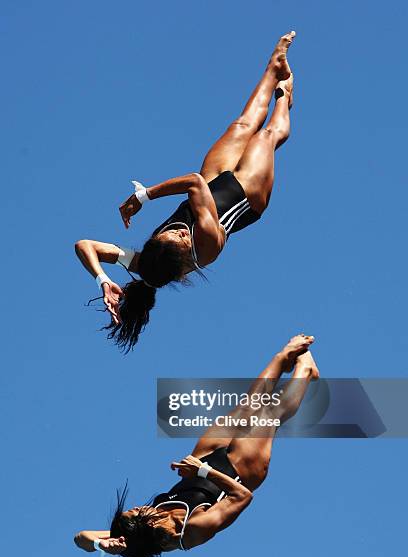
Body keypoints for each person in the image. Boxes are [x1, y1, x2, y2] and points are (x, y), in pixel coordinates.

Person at [75, 31, 296, 351]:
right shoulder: (206, 245)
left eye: (169, 235)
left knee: (242, 126)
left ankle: (274, 66)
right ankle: (284, 98)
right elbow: (193, 183)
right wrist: (144, 195)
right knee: (265, 137)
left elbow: (85, 246)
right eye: (181, 240)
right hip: (246, 195)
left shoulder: (143, 263)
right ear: (183, 260)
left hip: (212, 182)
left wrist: (104, 280)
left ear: (151, 246)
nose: (180, 234)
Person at [74, 334, 319, 557]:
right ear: (145, 527)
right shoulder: (190, 531)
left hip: (203, 460)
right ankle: (306, 371)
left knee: (246, 407)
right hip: (239, 474)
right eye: (136, 513)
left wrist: (101, 544)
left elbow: (80, 538)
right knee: (268, 414)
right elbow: (242, 497)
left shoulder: (132, 536)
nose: (137, 507)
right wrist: (203, 471)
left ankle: (283, 356)